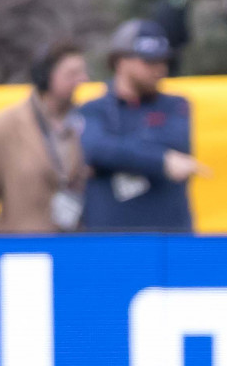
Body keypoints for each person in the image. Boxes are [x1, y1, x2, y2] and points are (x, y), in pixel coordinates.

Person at [79, 20, 206, 232]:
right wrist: (162, 160)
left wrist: (115, 152)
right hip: (108, 237)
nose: (160, 69)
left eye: (163, 61)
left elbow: (178, 144)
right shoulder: (93, 109)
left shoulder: (176, 105)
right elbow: (95, 149)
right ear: (121, 61)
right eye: (149, 62)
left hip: (168, 237)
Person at [0, 42, 90, 233]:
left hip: (80, 251)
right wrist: (6, 243)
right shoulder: (2, 127)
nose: (82, 80)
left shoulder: (89, 122)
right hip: (26, 253)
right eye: (72, 74)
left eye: (83, 73)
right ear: (45, 76)